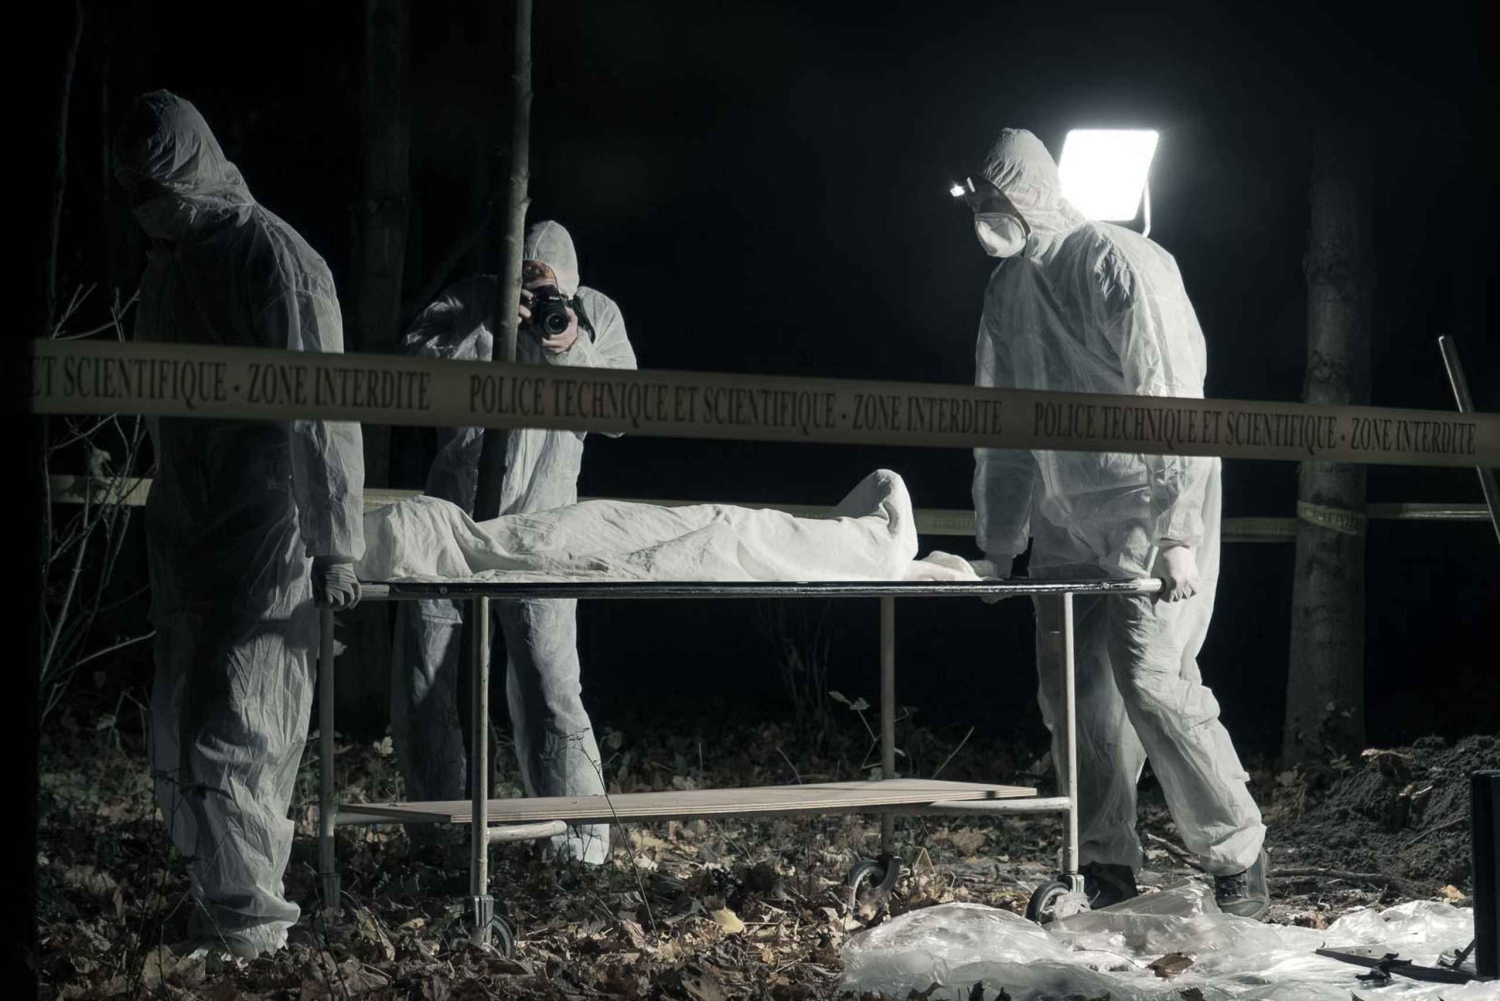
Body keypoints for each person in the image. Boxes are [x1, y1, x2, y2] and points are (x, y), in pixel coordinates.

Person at [963, 128, 1269, 918]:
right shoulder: (1006, 290)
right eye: (977, 200)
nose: (984, 214)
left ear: (1030, 191)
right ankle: (1103, 863)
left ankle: (1238, 854)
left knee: (1153, 682)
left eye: (996, 197)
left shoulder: (1117, 260)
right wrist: (1001, 543)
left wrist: (1177, 534)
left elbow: (1170, 395)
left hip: (1145, 504)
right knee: (1075, 695)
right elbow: (1002, 423)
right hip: (1065, 513)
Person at [114, 91, 365, 956]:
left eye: (154, 186)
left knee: (242, 728)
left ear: (187, 169)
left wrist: (335, 545)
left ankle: (251, 935)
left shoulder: (278, 261)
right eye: (133, 189)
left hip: (265, 533)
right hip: (189, 529)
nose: (143, 204)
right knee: (182, 730)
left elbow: (323, 415)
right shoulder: (170, 265)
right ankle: (214, 905)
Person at [392, 221, 637, 864]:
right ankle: (439, 836)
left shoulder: (595, 313)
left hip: (543, 530)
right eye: (524, 276)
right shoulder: (469, 298)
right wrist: (493, 322)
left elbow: (621, 411)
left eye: (545, 280)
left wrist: (566, 342)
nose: (536, 289)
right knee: (426, 681)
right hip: (449, 526)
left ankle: (579, 841)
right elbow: (413, 373)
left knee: (550, 682)